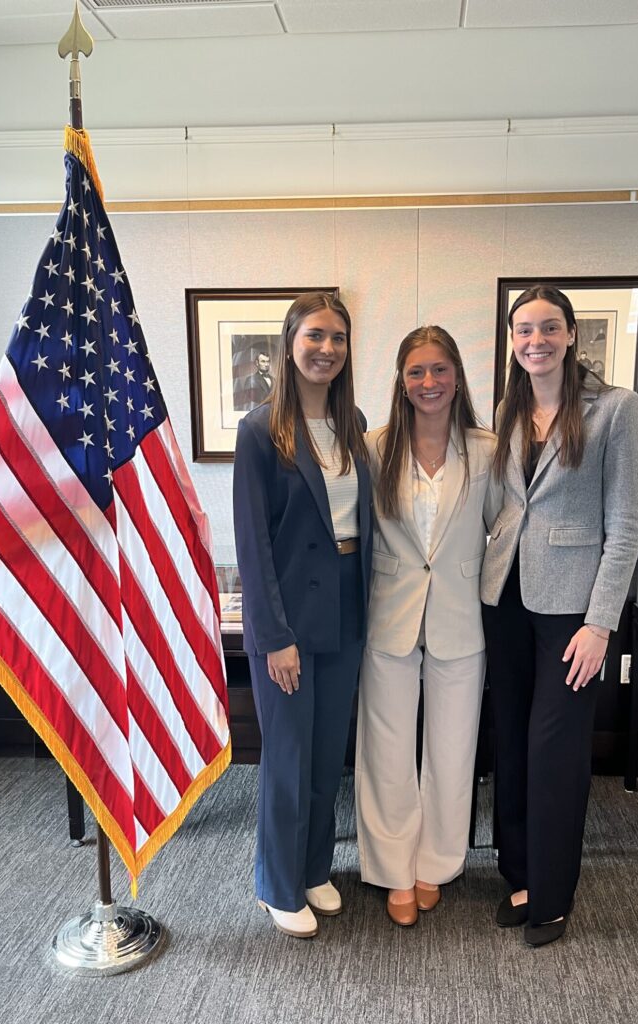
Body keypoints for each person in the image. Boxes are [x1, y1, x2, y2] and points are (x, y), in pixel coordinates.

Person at [480, 284, 638, 947]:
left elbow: (625, 527)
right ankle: (517, 875)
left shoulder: (615, 409)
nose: (534, 341)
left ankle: (551, 895)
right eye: (523, 330)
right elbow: (503, 508)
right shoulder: (508, 408)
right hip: (507, 601)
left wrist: (599, 624)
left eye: (548, 328)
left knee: (555, 751)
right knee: (512, 742)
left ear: (572, 335)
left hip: (571, 614)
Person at [233, 292, 372, 939]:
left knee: (325, 755)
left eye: (337, 338)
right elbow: (252, 542)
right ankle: (277, 883)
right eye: (315, 335)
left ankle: (315, 866)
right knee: (287, 756)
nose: (326, 349)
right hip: (288, 614)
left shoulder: (353, 424)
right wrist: (273, 636)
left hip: (345, 606)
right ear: (289, 344)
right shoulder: (260, 428)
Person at [355, 326, 502, 926]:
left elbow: (502, 530)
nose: (429, 383)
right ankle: (393, 869)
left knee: (451, 746)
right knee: (386, 749)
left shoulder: (488, 450)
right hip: (388, 615)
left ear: (458, 376)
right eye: (416, 371)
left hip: (461, 618)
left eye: (439, 369)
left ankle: (434, 864)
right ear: (401, 380)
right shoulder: (372, 447)